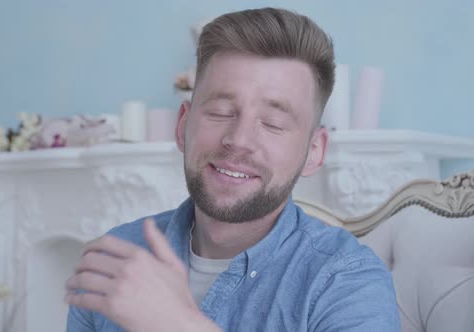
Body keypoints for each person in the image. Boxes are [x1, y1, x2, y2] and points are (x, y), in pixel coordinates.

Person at [65, 7, 400, 331]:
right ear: (183, 125)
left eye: (272, 123)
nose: (239, 140)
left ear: (314, 151)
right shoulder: (117, 258)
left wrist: (177, 324)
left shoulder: (347, 281)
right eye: (222, 111)